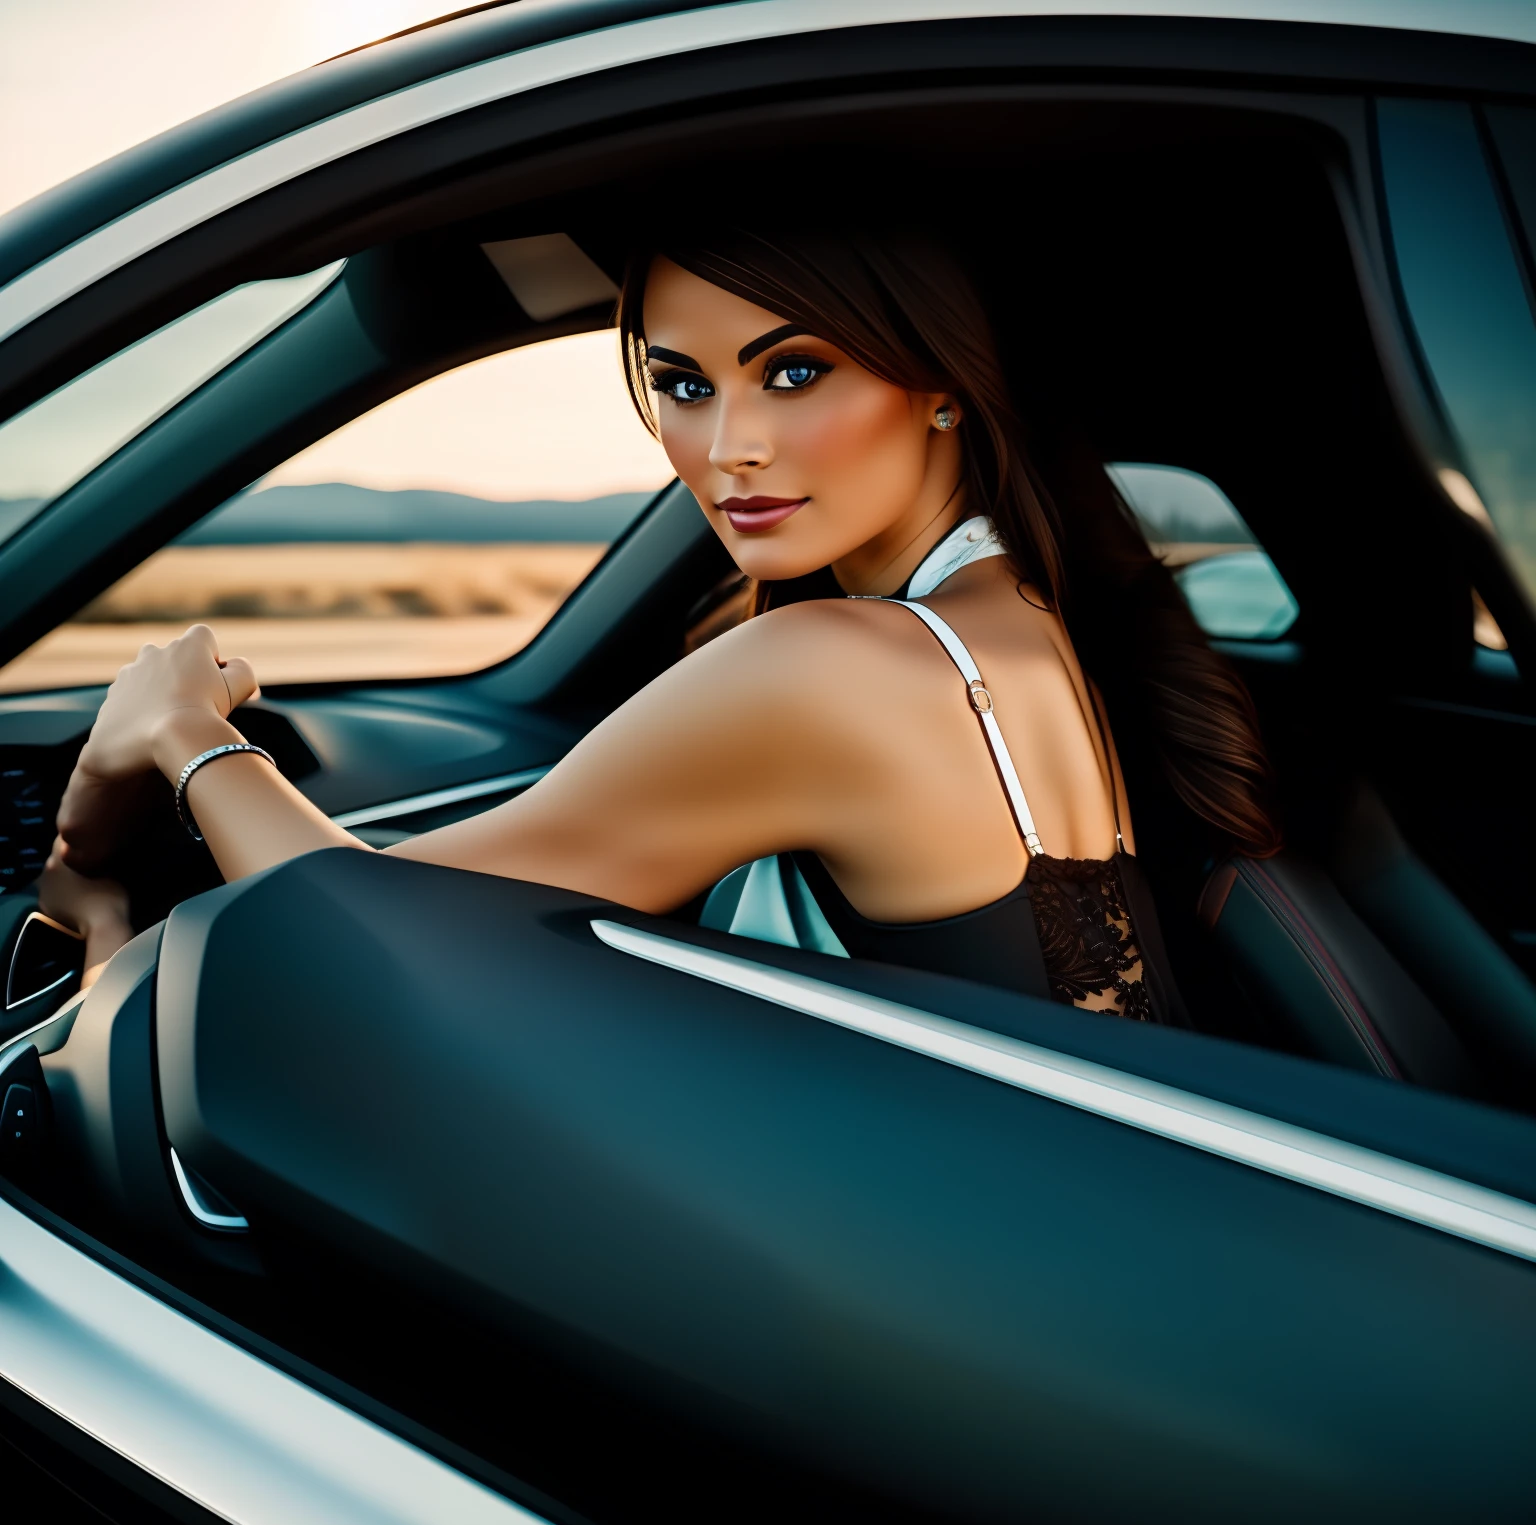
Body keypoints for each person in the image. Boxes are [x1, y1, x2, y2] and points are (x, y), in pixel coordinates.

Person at [40, 228, 1279, 1020]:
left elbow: (354, 927)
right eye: (684, 384)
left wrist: (179, 731)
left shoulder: (842, 668)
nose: (728, 445)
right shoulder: (1019, 613)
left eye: (794, 372)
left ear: (941, 389)